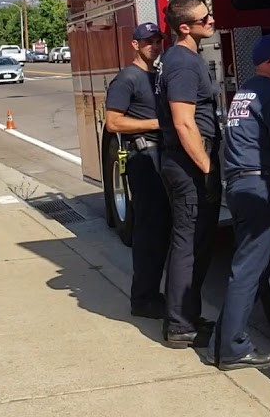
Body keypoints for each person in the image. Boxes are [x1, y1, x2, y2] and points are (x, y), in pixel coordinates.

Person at [207, 33, 270, 371]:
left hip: (239, 184)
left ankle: (219, 342)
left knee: (247, 267)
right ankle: (232, 349)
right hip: (259, 185)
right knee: (248, 270)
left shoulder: (244, 92)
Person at [155, 0, 222, 348]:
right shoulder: (181, 63)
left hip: (186, 161)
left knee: (198, 242)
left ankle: (188, 317)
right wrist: (208, 168)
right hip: (188, 163)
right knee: (188, 243)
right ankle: (180, 325)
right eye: (204, 18)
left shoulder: (181, 58)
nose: (211, 21)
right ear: (185, 27)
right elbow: (184, 123)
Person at [103, 22, 169, 319]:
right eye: (147, 42)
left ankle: (154, 294)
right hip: (142, 157)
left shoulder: (157, 75)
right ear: (135, 45)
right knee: (149, 231)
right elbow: (114, 123)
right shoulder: (127, 79)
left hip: (161, 155)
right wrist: (158, 125)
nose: (153, 46)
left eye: (157, 40)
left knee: (161, 230)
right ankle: (143, 299)